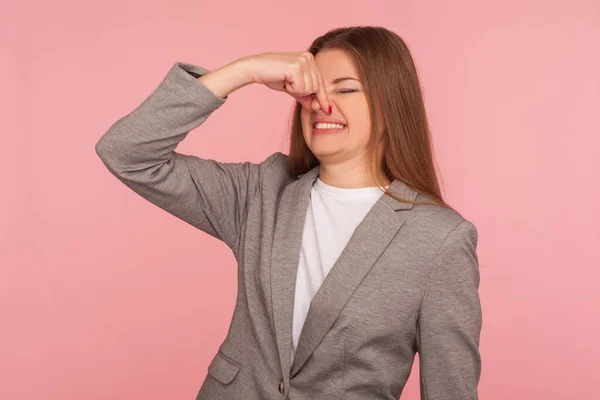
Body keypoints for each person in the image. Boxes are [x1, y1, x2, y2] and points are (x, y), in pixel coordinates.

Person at [95, 26, 482, 400]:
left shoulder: (440, 238)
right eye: (311, 92)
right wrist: (244, 71)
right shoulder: (262, 192)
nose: (320, 104)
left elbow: (451, 388)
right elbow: (126, 153)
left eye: (345, 89)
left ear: (392, 104)